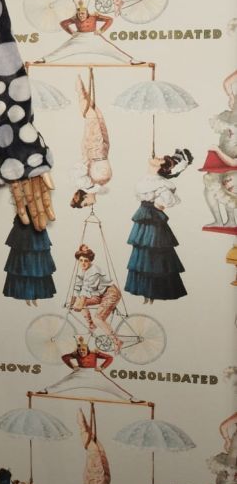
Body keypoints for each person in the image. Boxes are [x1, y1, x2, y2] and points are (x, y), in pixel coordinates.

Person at [125, 149, 191, 303]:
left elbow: (166, 202)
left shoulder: (162, 184)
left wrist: (158, 203)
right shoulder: (147, 179)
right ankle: (145, 292)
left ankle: (152, 292)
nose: (158, 157)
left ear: (162, 167)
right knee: (142, 253)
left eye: (161, 159)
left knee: (153, 253)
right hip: (143, 217)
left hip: (153, 219)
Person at [70, 244, 122, 350]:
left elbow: (86, 289)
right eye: (81, 260)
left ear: (90, 261)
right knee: (80, 302)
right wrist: (72, 302)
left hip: (111, 293)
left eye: (86, 261)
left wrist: (80, 304)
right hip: (99, 294)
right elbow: (77, 287)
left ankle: (117, 341)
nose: (83, 263)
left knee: (98, 319)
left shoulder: (93, 271)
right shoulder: (82, 271)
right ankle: (91, 325)